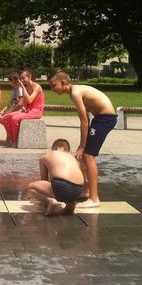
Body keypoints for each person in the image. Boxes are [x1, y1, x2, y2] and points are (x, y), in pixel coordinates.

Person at [48, 70, 117, 208]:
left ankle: (94, 199)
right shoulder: (75, 91)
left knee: (88, 155)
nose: (52, 89)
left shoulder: (75, 93)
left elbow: (84, 121)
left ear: (63, 83)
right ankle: (86, 192)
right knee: (86, 156)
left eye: (53, 85)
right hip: (102, 118)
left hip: (105, 119)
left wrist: (81, 146)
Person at [27, 138, 85, 216]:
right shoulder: (73, 158)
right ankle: (70, 203)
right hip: (78, 190)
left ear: (54, 148)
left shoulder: (46, 156)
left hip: (61, 187)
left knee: (31, 188)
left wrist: (43, 198)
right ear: (68, 150)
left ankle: (49, 201)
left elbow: (44, 180)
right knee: (66, 186)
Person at [0, 69, 45, 147]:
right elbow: (25, 103)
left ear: (29, 77)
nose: (21, 80)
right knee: (5, 118)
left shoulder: (37, 86)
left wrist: (23, 87)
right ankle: (12, 140)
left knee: (14, 119)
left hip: (36, 111)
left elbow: (30, 100)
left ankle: (15, 141)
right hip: (28, 110)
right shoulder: (26, 88)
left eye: (23, 78)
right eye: (21, 78)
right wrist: (23, 107)